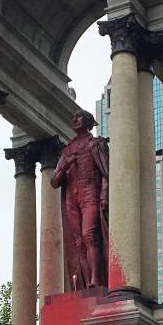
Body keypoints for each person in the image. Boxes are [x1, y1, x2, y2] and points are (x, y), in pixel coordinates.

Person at [50, 111, 109, 289]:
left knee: (89, 235)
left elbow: (106, 172)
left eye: (79, 117)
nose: (74, 119)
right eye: (73, 117)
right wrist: (64, 166)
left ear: (88, 122)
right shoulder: (67, 150)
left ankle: (95, 279)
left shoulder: (96, 144)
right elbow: (54, 181)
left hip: (90, 191)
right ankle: (83, 283)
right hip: (72, 196)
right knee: (77, 241)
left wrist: (105, 194)